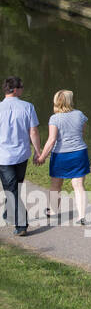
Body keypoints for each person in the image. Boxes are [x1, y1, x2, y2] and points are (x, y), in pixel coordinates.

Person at [38, 90, 91, 226]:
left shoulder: (54, 118)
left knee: (56, 184)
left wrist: (42, 156)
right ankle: (81, 217)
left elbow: (52, 140)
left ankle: (54, 211)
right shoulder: (80, 115)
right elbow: (83, 132)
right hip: (79, 153)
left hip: (60, 155)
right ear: (69, 101)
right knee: (78, 185)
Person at [0, 76, 39, 236]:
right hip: (21, 155)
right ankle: (22, 224)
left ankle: (10, 212)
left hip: (4, 156)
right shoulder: (28, 107)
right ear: (15, 90)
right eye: (21, 87)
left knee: (13, 188)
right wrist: (38, 151)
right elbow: (34, 131)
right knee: (14, 188)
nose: (23, 89)